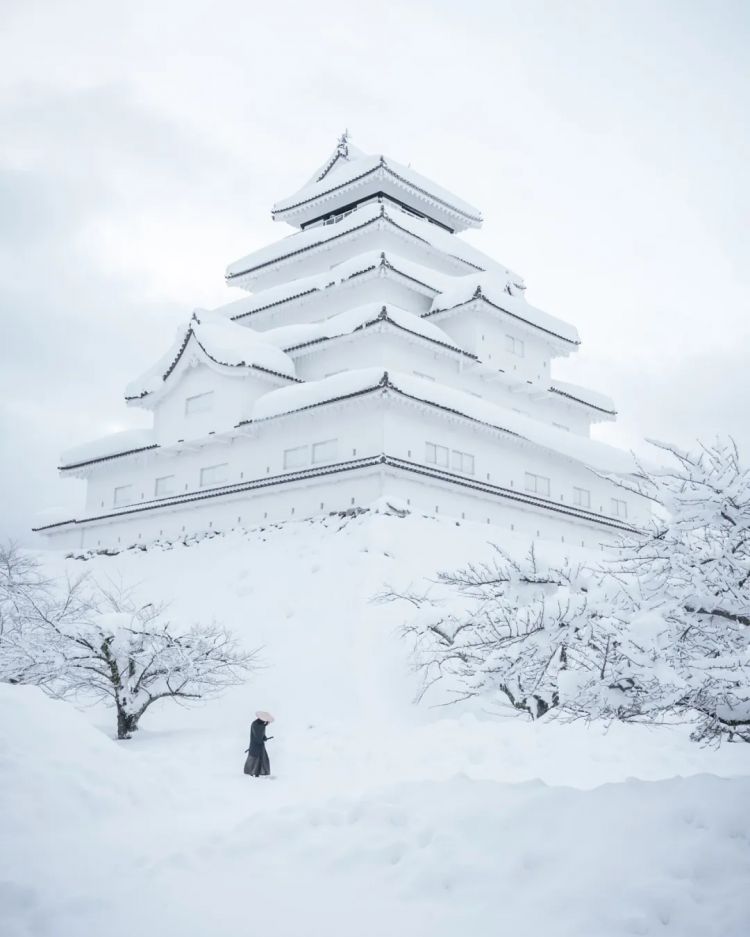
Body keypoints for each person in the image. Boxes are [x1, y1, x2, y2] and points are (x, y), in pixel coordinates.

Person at [244, 710, 274, 777]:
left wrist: (264, 737)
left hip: (260, 745)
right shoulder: (255, 724)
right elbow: (257, 735)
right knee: (254, 758)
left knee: (262, 758)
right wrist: (264, 727)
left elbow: (262, 733)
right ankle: (251, 772)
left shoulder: (261, 724)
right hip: (255, 744)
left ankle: (258, 772)